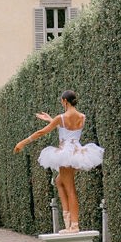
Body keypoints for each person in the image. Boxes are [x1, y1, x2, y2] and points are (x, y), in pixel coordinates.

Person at [13, 89, 104, 232]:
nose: (62, 103)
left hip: (65, 153)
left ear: (65, 101)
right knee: (59, 181)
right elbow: (70, 130)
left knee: (70, 188)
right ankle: (68, 219)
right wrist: (51, 120)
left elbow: (41, 132)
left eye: (62, 101)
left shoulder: (61, 117)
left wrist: (22, 142)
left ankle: (73, 225)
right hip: (77, 151)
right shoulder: (82, 116)